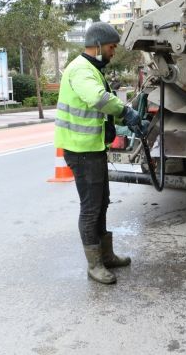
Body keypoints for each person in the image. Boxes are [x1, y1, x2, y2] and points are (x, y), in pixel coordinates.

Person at [54, 22, 142, 285]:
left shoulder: (90, 69)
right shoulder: (81, 70)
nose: (113, 52)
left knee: (102, 203)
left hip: (92, 147)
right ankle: (94, 265)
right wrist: (126, 111)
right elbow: (97, 98)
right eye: (112, 47)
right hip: (81, 150)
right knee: (91, 208)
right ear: (99, 45)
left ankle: (106, 255)